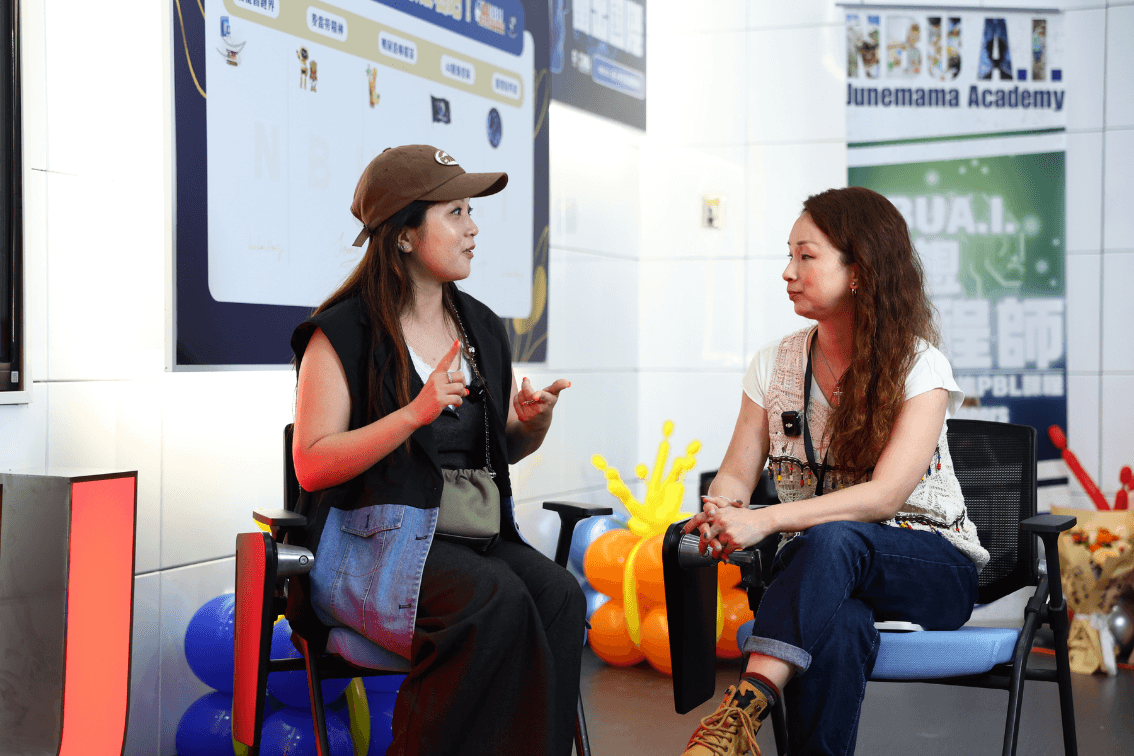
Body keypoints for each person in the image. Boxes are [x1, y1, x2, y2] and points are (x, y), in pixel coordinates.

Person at [290, 145, 584, 756]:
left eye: (470, 212)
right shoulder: (340, 333)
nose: (473, 228)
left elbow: (499, 450)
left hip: (469, 535)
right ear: (403, 235)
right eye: (455, 213)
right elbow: (312, 465)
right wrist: (413, 413)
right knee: (493, 601)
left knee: (560, 596)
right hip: (373, 545)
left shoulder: (482, 327)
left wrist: (532, 425)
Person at [679, 186, 989, 756]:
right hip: (822, 573)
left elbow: (884, 497)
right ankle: (739, 729)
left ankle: (741, 708)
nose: (788, 272)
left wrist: (765, 520)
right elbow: (735, 475)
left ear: (859, 272)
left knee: (835, 538)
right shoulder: (773, 363)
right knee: (839, 624)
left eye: (806, 256)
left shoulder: (920, 365)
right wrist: (724, 507)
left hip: (930, 568)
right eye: (789, 255)